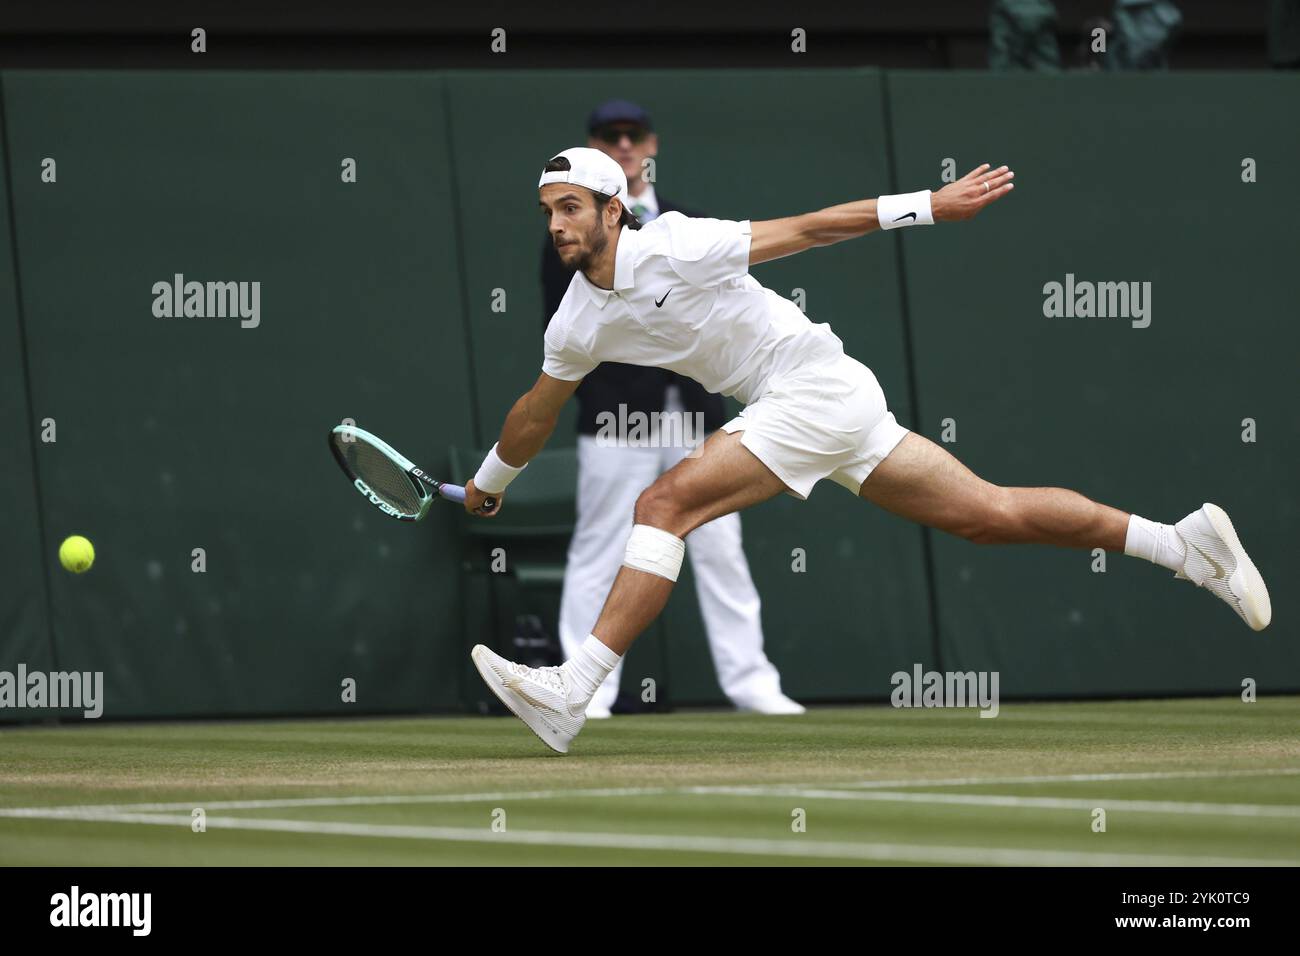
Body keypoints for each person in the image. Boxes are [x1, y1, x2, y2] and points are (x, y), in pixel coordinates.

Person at [465, 146, 1271, 754]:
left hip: (813, 386)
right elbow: (536, 413)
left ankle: (574, 689)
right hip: (822, 402)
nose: (557, 225)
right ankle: (1182, 543)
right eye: (547, 212)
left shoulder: (676, 243)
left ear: (613, 211)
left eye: (570, 207)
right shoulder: (577, 318)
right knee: (987, 514)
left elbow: (813, 229)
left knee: (662, 504)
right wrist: (488, 481)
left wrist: (931, 204)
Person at [541, 99, 802, 718]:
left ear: (651, 145)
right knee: (601, 546)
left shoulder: (683, 223)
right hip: (613, 419)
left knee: (719, 547)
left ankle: (753, 686)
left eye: (633, 136)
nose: (624, 145)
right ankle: (588, 694)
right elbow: (572, 333)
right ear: (596, 149)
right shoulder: (568, 234)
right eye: (610, 137)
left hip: (692, 416)